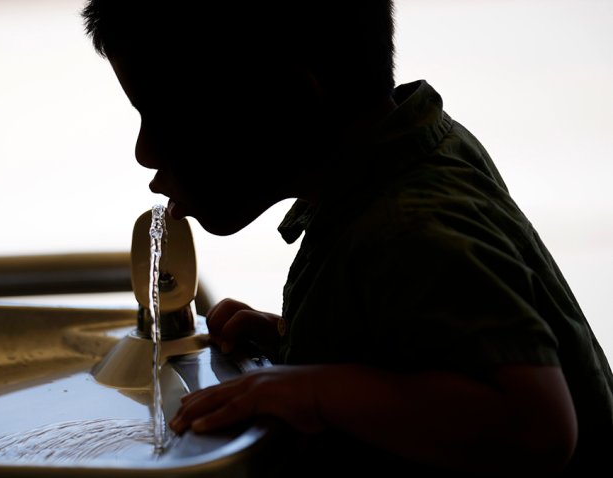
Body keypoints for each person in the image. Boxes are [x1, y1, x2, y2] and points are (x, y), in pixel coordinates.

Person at [81, 1, 613, 475]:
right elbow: (431, 346)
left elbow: (537, 424)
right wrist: (304, 343)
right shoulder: (395, 162)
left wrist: (314, 390)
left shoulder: (411, 225)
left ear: (285, 103)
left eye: (163, 117)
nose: (145, 152)